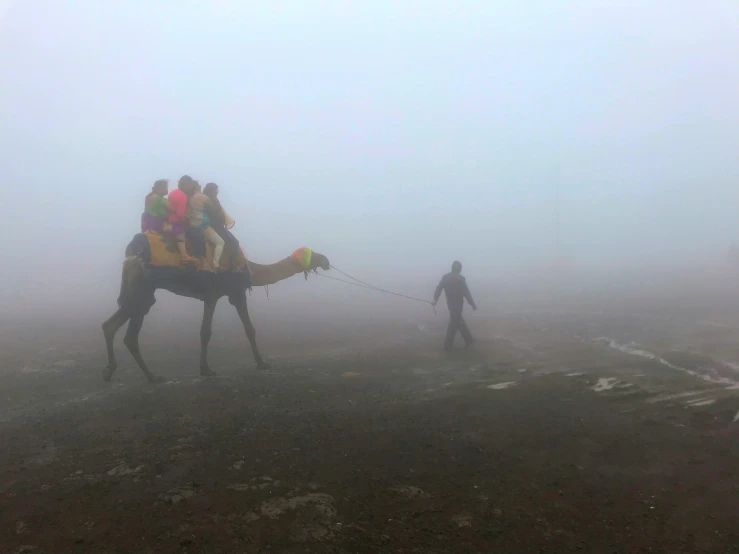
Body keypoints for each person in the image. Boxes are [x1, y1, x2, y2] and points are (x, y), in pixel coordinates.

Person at [203, 182, 249, 271]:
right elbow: (214, 213)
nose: (217, 192)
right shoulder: (208, 201)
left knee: (234, 242)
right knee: (233, 242)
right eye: (216, 190)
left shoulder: (213, 200)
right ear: (211, 191)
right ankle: (232, 266)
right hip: (214, 226)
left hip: (218, 226)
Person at [432, 261, 477, 350]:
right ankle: (449, 345)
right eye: (460, 268)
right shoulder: (461, 279)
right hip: (458, 304)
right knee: (455, 323)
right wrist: (472, 304)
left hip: (451, 304)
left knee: (457, 321)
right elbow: (466, 293)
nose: (461, 270)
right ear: (459, 269)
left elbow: (439, 288)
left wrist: (435, 300)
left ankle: (468, 341)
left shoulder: (445, 278)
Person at [188, 183, 226, 270]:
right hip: (203, 226)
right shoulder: (202, 197)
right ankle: (216, 265)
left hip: (193, 224)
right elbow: (215, 211)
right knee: (220, 242)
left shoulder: (190, 197)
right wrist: (216, 200)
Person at [168, 175, 198, 264]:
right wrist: (187, 219)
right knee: (186, 234)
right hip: (176, 221)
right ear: (186, 185)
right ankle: (184, 255)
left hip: (168, 219)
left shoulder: (173, 192)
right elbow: (180, 214)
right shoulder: (183, 196)